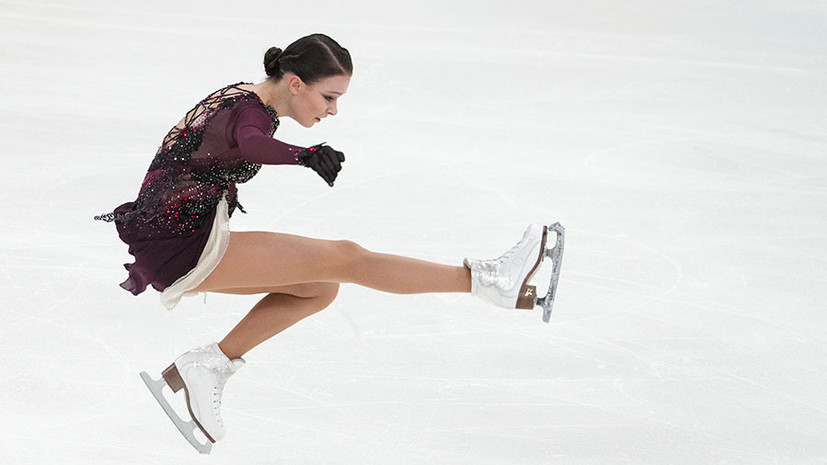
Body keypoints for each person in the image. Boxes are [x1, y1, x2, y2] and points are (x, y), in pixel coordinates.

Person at [98, 33, 557, 453]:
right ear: (296, 83)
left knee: (319, 286)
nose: (333, 110)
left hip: (178, 234)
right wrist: (305, 154)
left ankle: (210, 364)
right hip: (180, 243)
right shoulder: (251, 112)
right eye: (329, 97)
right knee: (346, 258)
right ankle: (491, 282)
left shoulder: (248, 97)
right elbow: (252, 142)